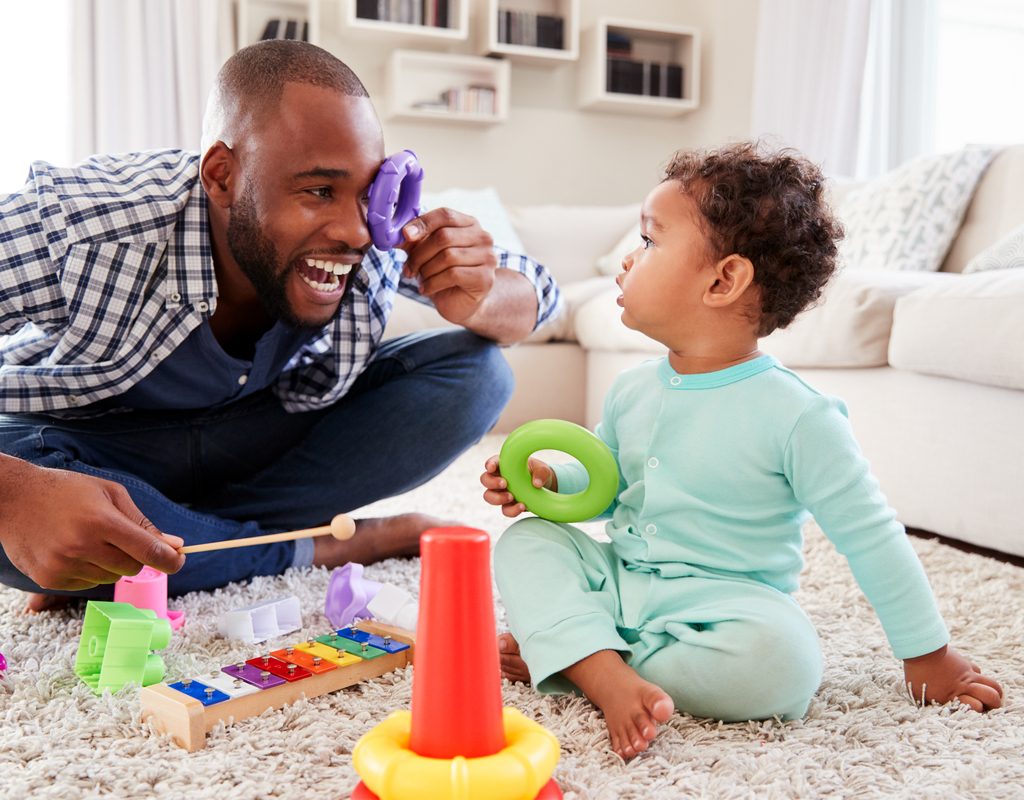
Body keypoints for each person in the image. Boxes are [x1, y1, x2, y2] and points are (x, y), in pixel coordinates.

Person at [480, 142, 1002, 761]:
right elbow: (607, 485)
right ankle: (597, 665)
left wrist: (929, 653)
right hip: (621, 578)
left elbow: (872, 536)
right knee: (529, 542)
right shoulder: (632, 388)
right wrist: (550, 479)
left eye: (649, 242)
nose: (627, 259)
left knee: (783, 666)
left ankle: (578, 652)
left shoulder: (798, 415)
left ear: (724, 279)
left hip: (724, 603)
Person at [0, 40, 561, 609]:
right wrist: (13, 495)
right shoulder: (85, 221)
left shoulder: (372, 227)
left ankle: (169, 549)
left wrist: (481, 295)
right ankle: (321, 544)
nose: (356, 231)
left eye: (366, 193)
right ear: (222, 177)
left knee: (478, 375)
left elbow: (538, 290)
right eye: (319, 191)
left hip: (252, 438)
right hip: (81, 442)